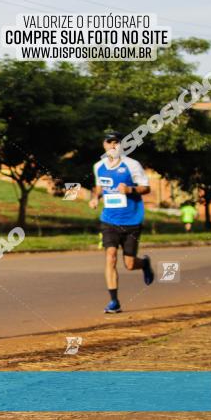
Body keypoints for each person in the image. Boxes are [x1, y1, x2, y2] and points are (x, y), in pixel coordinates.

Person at [88, 131, 155, 313]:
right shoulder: (98, 166)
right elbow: (100, 187)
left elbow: (146, 188)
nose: (112, 146)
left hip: (132, 219)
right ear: (104, 145)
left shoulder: (132, 165)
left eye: (116, 142)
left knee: (130, 264)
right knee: (110, 256)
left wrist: (130, 189)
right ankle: (114, 301)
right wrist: (95, 198)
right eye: (109, 142)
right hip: (109, 219)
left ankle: (145, 264)